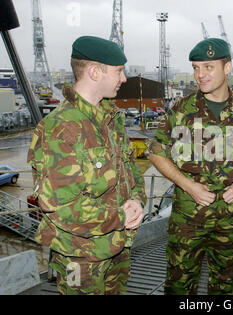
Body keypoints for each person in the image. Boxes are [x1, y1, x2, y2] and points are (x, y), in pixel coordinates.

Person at [146, 38, 233, 294]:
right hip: (187, 221)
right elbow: (155, 153)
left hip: (230, 222)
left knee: (226, 288)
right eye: (195, 67)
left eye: (208, 67)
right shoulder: (181, 110)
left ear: (228, 68)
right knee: (180, 287)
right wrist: (187, 185)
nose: (199, 75)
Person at [27, 36, 147, 295]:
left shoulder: (111, 118)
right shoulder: (59, 129)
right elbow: (62, 208)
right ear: (95, 72)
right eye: (118, 71)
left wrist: (137, 202)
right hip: (78, 258)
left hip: (117, 246)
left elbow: (131, 172)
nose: (124, 78)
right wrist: (120, 217)